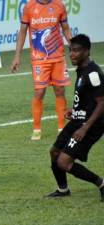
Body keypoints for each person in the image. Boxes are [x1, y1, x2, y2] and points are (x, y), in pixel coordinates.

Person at [46, 34, 104, 201]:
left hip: (91, 124)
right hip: (78, 119)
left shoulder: (93, 74)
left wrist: (85, 128)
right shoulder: (81, 69)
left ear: (87, 51)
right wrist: (75, 109)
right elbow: (90, 98)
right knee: (54, 152)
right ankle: (63, 190)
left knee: (63, 162)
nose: (71, 54)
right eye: (70, 50)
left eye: (76, 51)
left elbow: (102, 103)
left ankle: (101, 183)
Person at [11, 0, 72, 140]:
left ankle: (62, 128)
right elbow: (22, 32)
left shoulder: (59, 5)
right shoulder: (29, 6)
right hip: (39, 58)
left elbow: (66, 29)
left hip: (58, 57)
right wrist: (17, 56)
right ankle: (37, 129)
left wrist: (74, 47)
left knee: (60, 90)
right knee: (39, 92)